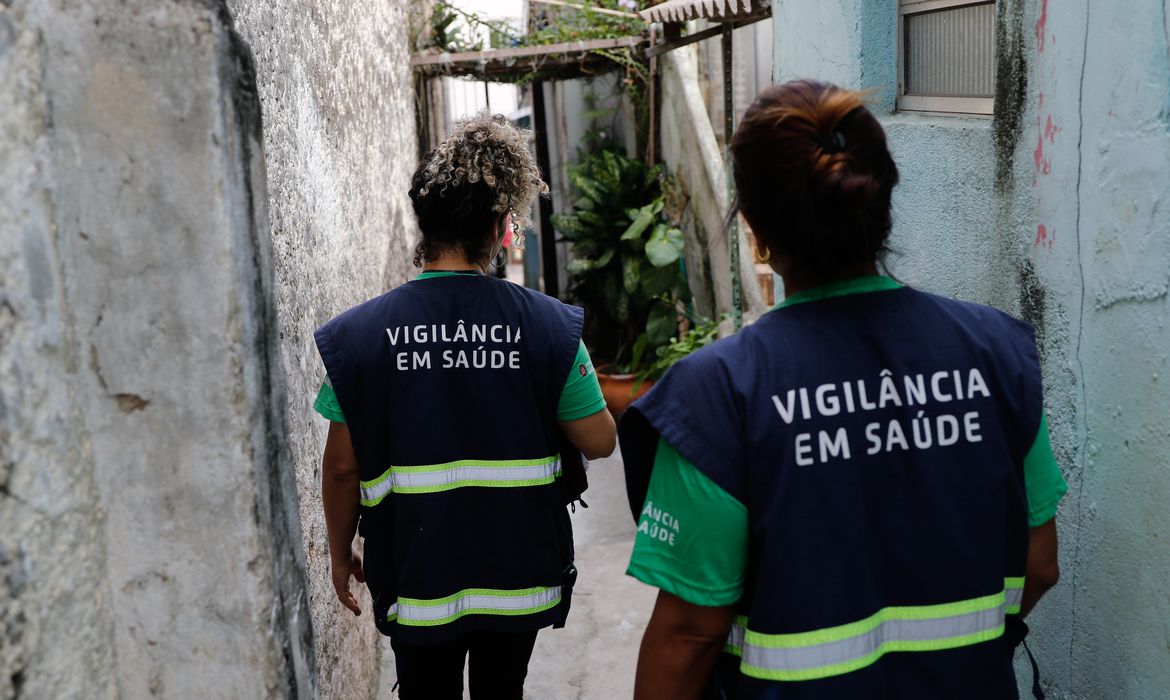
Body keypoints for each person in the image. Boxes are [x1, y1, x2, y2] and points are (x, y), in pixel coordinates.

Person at [619, 81, 1068, 700]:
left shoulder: (718, 397)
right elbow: (1040, 564)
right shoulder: (994, 353)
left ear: (755, 228)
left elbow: (687, 636)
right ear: (881, 201)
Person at [313, 112, 617, 699]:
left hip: (417, 573)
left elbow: (343, 466)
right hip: (518, 573)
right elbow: (600, 440)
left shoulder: (359, 338)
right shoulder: (549, 328)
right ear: (502, 227)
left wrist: (339, 551)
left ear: (421, 223)